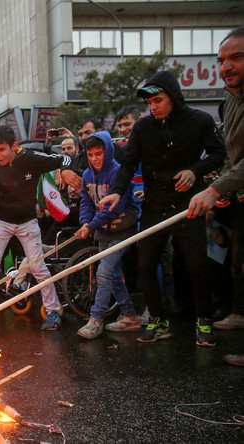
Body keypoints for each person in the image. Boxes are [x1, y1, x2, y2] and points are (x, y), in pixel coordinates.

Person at [99, 70, 225, 346]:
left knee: (196, 266)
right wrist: (117, 192)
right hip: (154, 206)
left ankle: (204, 321)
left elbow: (219, 153)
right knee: (145, 266)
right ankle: (157, 320)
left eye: (158, 100)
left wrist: (195, 170)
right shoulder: (143, 128)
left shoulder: (199, 121)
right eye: (149, 103)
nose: (153, 107)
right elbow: (129, 163)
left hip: (188, 205)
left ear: (174, 96)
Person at [0, 125, 80, 332]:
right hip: (1, 222)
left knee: (38, 267)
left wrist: (66, 170)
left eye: (2, 150)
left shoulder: (30, 158)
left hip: (28, 222)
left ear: (14, 146)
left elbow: (64, 159)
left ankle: (53, 311)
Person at [187, 26, 244, 364]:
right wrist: (224, 186)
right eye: (221, 60)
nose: (226, 66)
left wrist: (215, 187)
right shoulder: (232, 100)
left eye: (236, 57)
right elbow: (233, 157)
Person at [74, 131, 140, 339]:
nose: (94, 159)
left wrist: (91, 226)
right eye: (90, 155)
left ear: (108, 151)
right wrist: (85, 222)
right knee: (112, 274)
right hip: (103, 232)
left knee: (103, 272)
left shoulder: (118, 172)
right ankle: (129, 315)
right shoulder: (87, 175)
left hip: (123, 230)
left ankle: (96, 320)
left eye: (99, 154)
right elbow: (86, 201)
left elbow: (114, 208)